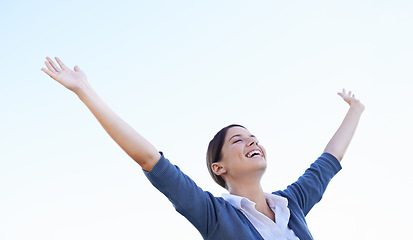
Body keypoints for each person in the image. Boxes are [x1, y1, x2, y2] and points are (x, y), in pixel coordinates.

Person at [41, 57, 365, 240]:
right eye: (238, 140)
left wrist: (356, 110)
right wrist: (85, 91)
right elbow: (149, 158)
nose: (252, 141)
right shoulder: (215, 215)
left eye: (253, 136)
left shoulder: (291, 205)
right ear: (218, 167)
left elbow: (328, 161)